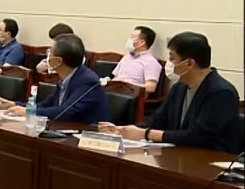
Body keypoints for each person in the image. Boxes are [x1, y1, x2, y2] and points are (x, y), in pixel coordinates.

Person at [100, 32, 240, 153]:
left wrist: (146, 133)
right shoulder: (179, 87)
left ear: (189, 64)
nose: (169, 63)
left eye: (172, 58)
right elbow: (158, 120)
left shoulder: (221, 93)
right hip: (180, 155)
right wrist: (125, 130)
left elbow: (198, 137)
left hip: (209, 160)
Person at [0, 34, 109, 124]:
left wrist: (29, 112)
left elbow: (64, 112)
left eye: (51, 52)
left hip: (88, 136)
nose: (47, 56)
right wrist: (13, 105)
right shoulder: (66, 77)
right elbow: (46, 105)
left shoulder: (88, 81)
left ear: (58, 61)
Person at [107, 26, 161, 94]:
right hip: (113, 91)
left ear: (142, 42)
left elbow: (150, 88)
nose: (129, 39)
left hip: (130, 95)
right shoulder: (127, 57)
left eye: (132, 37)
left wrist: (128, 88)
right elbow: (114, 76)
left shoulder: (151, 62)